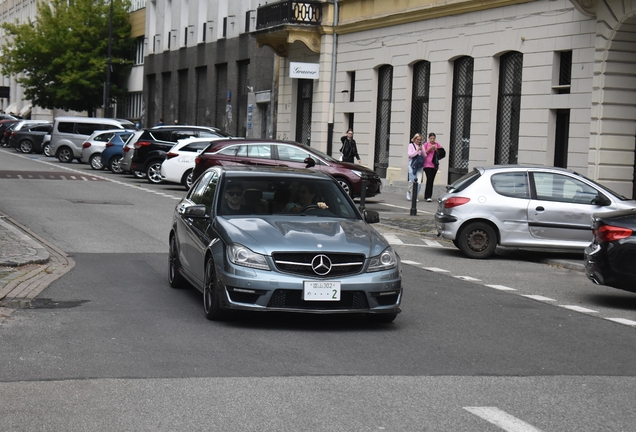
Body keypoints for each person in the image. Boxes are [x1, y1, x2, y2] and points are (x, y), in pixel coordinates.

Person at [423, 132, 443, 202]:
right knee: (429, 179)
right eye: (431, 138)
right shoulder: (426, 144)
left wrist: (436, 149)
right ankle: (428, 196)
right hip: (427, 165)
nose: (432, 140)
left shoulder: (437, 145)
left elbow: (441, 154)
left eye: (433, 138)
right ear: (429, 138)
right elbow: (423, 153)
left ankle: (428, 195)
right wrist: (429, 149)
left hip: (434, 165)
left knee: (431, 180)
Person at [407, 133, 426, 201]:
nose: (419, 141)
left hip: (419, 165)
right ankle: (409, 191)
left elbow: (424, 156)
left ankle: (415, 196)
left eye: (420, 140)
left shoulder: (421, 146)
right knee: (413, 181)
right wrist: (417, 150)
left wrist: (422, 150)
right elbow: (410, 155)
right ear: (414, 139)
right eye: (417, 139)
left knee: (419, 183)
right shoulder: (411, 145)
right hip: (412, 164)